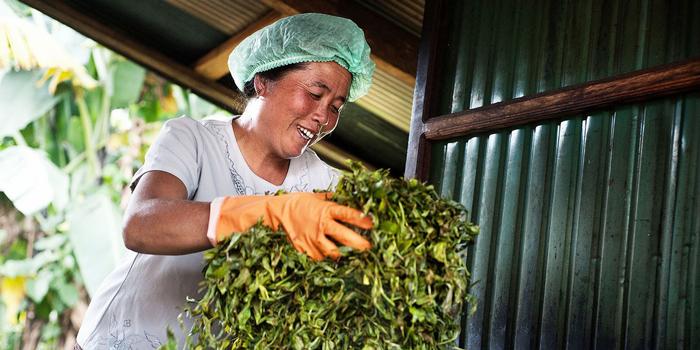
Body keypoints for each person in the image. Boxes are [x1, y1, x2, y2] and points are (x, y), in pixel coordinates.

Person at [75, 13, 376, 349]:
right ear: (263, 81)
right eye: (315, 93)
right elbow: (141, 224)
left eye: (336, 106)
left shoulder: (327, 187)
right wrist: (269, 214)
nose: (323, 117)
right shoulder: (192, 139)